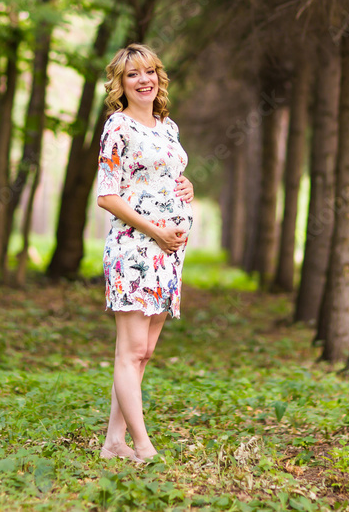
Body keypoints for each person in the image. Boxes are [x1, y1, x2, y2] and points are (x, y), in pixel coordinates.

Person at [95, 44, 194, 464]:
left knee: (144, 353)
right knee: (131, 350)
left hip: (168, 254)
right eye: (133, 74)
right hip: (134, 247)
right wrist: (155, 229)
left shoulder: (165, 126)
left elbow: (164, 174)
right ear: (120, 84)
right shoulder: (117, 126)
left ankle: (113, 442)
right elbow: (108, 194)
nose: (143, 80)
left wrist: (187, 186)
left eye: (150, 72)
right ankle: (142, 446)